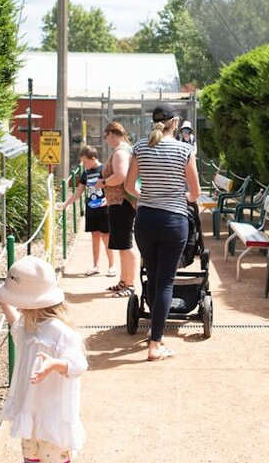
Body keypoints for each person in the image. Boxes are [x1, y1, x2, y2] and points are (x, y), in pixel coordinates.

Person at [0, 256, 88, 463]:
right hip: (30, 417)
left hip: (51, 419)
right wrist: (3, 301)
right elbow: (15, 327)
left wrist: (55, 365)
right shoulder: (28, 327)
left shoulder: (61, 332)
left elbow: (79, 364)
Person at [125, 102, 201, 361]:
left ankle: (154, 334)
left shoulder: (140, 147)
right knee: (166, 281)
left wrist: (148, 195)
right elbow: (196, 193)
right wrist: (178, 196)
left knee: (154, 276)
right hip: (173, 220)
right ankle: (155, 344)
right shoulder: (184, 150)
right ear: (175, 123)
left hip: (145, 219)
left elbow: (129, 185)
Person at [56, 145, 115, 277]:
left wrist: (108, 199)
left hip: (104, 210)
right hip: (91, 210)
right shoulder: (86, 173)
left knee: (106, 237)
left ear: (93, 159)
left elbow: (113, 187)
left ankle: (112, 266)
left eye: (85, 162)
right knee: (95, 237)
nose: (84, 164)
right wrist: (65, 204)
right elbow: (78, 192)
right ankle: (95, 265)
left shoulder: (105, 169)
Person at [99, 121, 138, 297]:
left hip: (122, 203)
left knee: (125, 244)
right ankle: (124, 281)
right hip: (118, 202)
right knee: (122, 244)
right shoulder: (124, 150)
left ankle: (129, 284)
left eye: (106, 136)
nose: (106, 140)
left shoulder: (121, 152)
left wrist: (104, 182)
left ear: (113, 134)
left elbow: (121, 176)